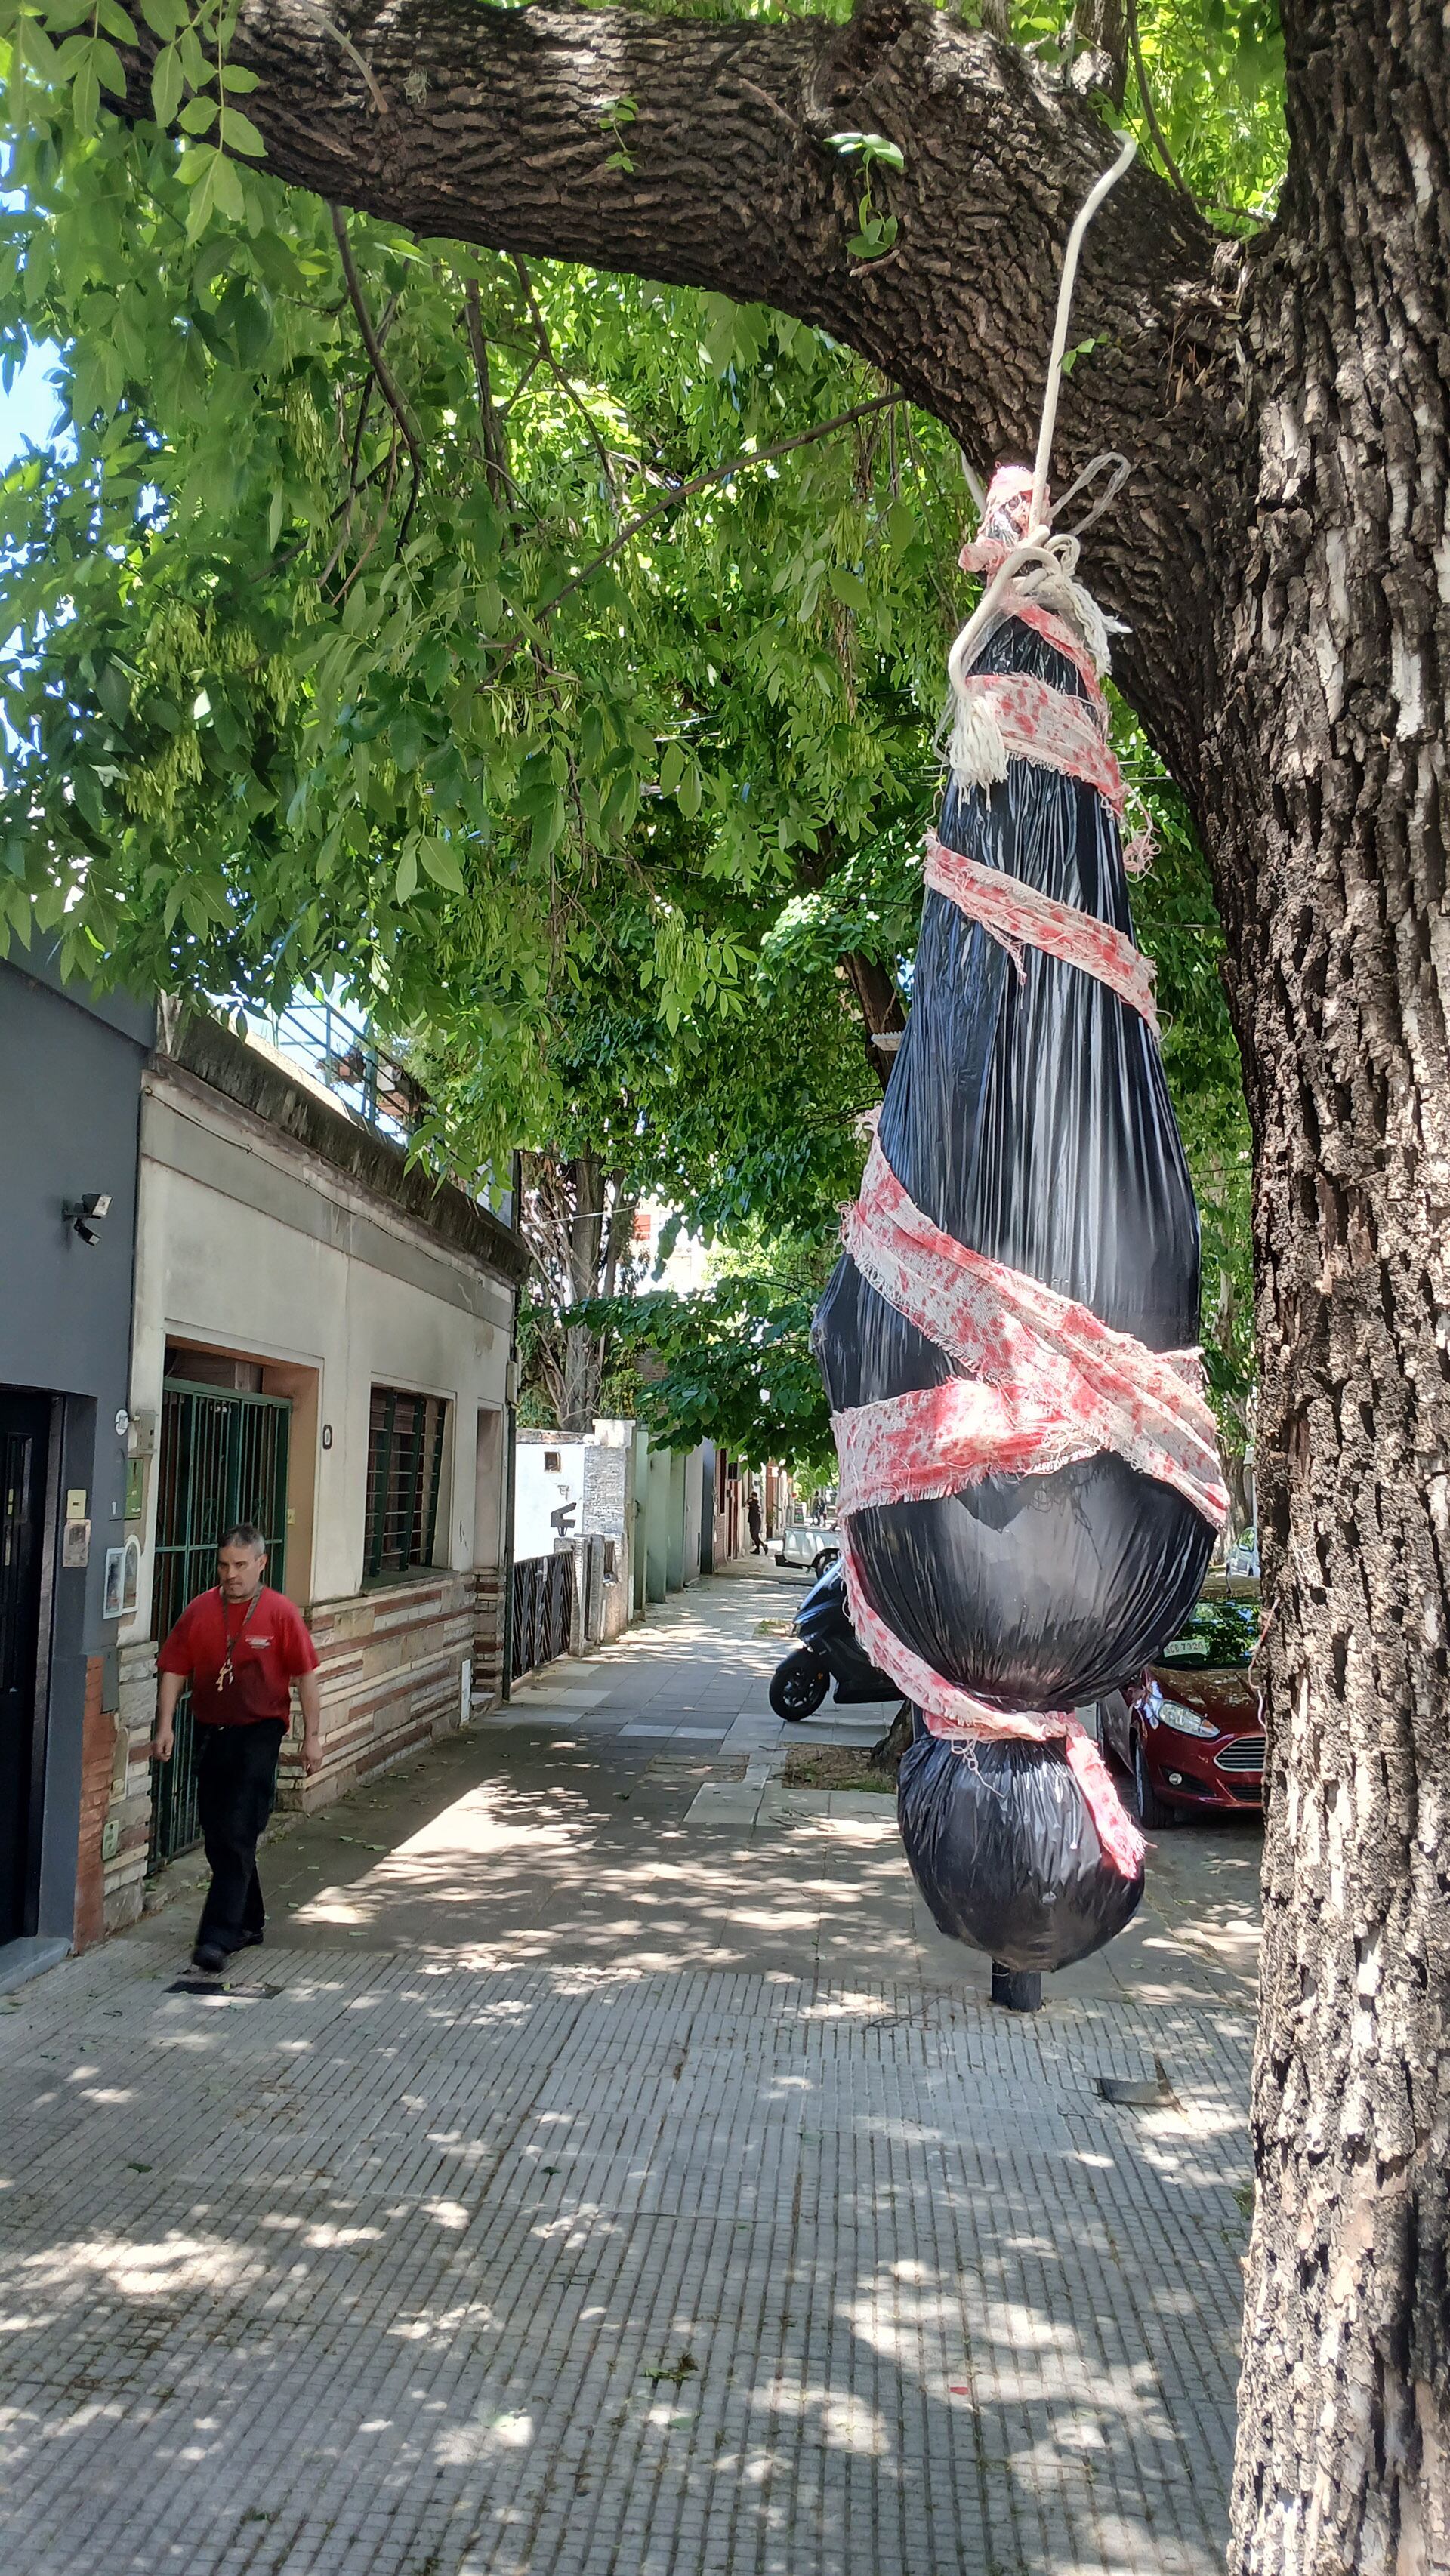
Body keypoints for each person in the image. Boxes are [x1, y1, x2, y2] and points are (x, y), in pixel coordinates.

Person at [152, 1524, 322, 1974]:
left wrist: (314, 1736)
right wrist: (165, 1725)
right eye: (225, 1565)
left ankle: (217, 1937)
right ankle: (250, 1920)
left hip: (259, 1732)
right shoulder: (200, 1610)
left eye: (241, 1566)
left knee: (237, 1828)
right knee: (219, 1833)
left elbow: (306, 1676)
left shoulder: (280, 1613)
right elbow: (173, 1667)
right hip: (211, 1731)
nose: (231, 1575)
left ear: (261, 1564)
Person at [747, 1490, 765, 1556]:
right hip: (757, 1521)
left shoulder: (752, 1503)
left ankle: (763, 1545)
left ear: (753, 1496)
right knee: (756, 1536)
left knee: (754, 1535)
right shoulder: (757, 1503)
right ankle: (758, 1549)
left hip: (753, 1521)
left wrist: (748, 1500)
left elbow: (745, 1505)